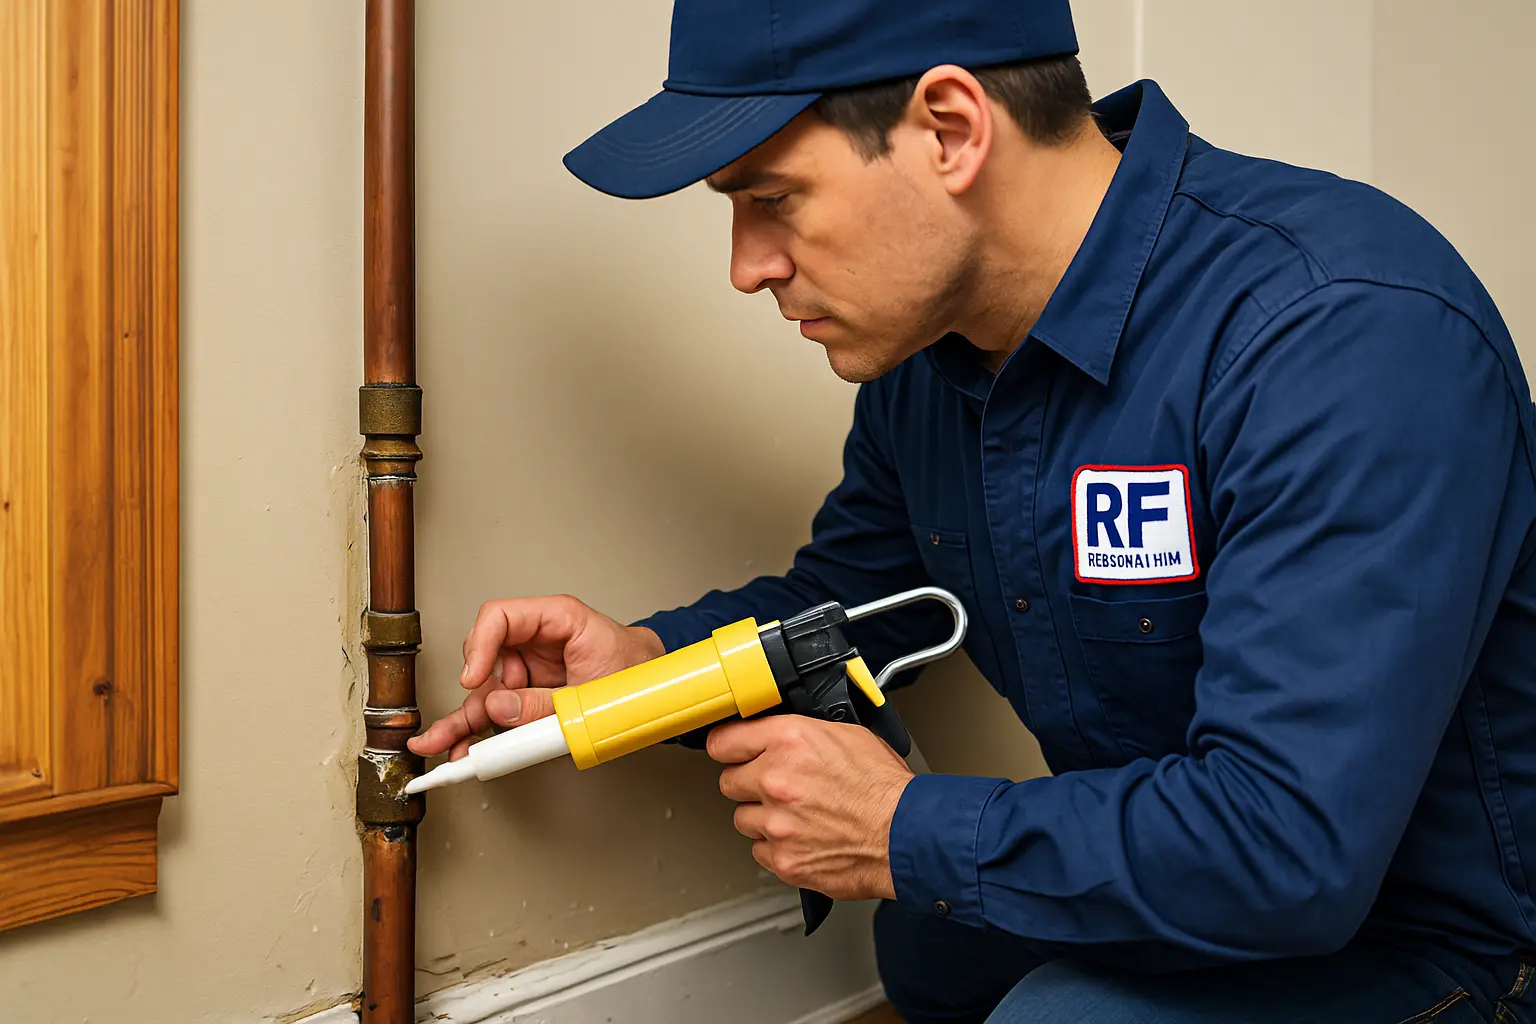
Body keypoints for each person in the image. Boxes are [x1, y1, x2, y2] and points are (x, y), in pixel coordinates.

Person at [409, 1, 1536, 1020]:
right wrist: (648, 662)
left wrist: (902, 828)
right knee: (928, 946)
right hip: (1238, 891)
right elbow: (851, 603)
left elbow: (1290, 848)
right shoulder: (932, 362)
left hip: (1439, 938)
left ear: (950, 128)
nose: (748, 267)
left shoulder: (1340, 334)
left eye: (770, 198)